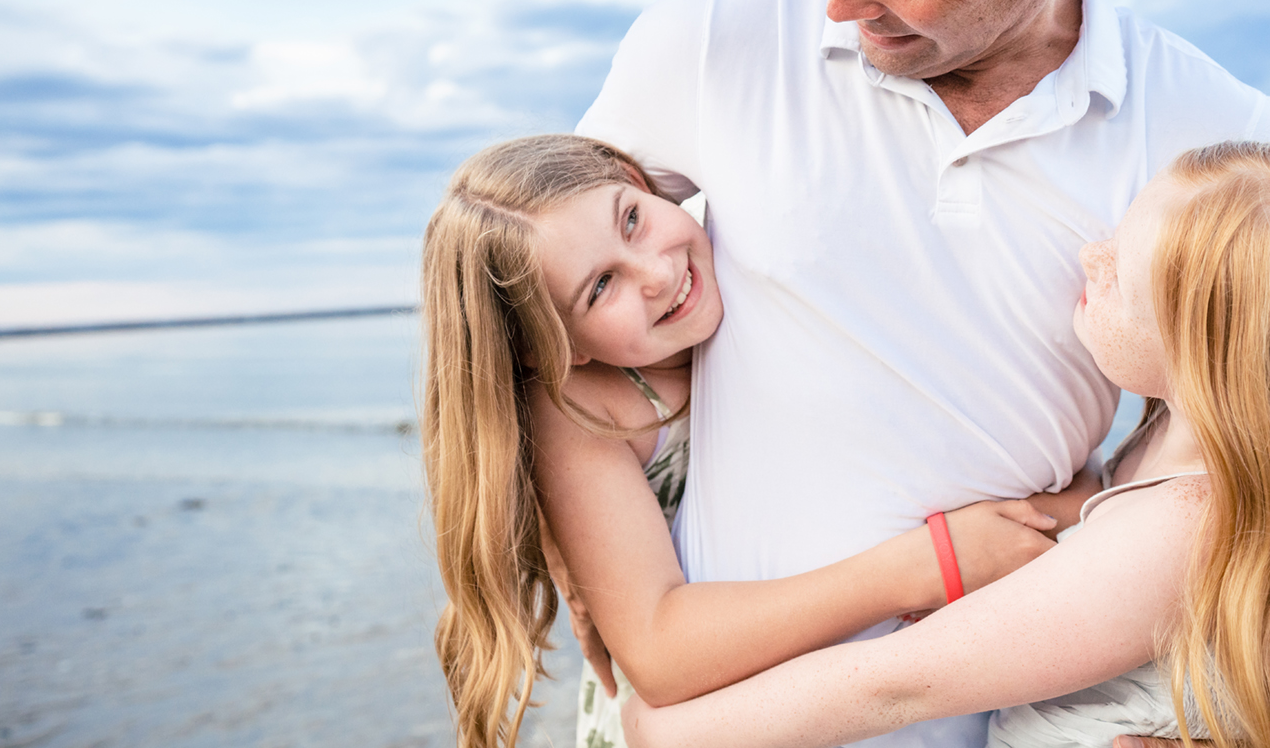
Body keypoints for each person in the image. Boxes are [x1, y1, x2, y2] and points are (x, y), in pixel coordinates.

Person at [576, 0, 1270, 744]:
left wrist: (1206, 698)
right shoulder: (712, 38)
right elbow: (528, 298)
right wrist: (586, 542)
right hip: (706, 709)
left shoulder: (1220, 139)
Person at [622, 141, 1270, 748]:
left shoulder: (1179, 526)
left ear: (1209, 355)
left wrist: (667, 727)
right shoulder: (1182, 454)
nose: (1089, 256)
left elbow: (902, 682)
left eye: (1119, 273)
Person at [420, 134, 1081, 748]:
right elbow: (659, 649)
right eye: (600, 287)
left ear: (637, 180)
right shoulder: (586, 410)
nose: (653, 273)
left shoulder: (754, 249)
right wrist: (922, 568)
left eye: (631, 220)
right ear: (552, 351)